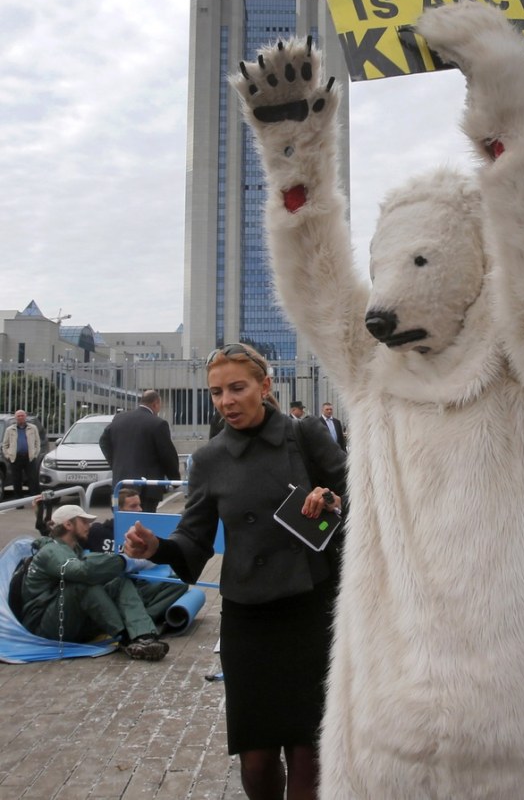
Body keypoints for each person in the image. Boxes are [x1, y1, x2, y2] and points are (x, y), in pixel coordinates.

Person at [123, 342, 347, 800]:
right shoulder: (208, 460)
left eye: (237, 388)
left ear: (265, 387)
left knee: (311, 752)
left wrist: (332, 502)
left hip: (312, 610)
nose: (226, 401)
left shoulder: (304, 435)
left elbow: (364, 494)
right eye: (216, 392)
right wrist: (157, 547)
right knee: (257, 758)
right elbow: (194, 542)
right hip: (249, 618)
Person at [20, 504, 169, 661]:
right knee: (81, 584)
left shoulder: (73, 549)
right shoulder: (51, 551)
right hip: (44, 625)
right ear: (68, 524)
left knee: (118, 581)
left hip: (66, 617)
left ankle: (143, 635)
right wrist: (123, 561)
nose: (88, 526)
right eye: (83, 522)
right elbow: (81, 572)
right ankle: (125, 637)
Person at [84, 488, 189, 626]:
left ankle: (144, 618)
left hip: (136, 583)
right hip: (110, 585)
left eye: (140, 505)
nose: (139, 510)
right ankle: (138, 621)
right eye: (133, 506)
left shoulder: (143, 534)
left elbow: (155, 558)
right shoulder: (98, 531)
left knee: (180, 582)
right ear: (117, 509)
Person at [100, 390, 180, 513]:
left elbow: (103, 442)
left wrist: (115, 463)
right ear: (156, 404)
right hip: (147, 488)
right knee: (144, 525)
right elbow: (167, 454)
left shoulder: (119, 418)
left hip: (120, 485)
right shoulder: (158, 424)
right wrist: (175, 479)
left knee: (120, 524)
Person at [2, 409, 41, 498]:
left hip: (29, 457)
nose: (20, 417)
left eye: (22, 416)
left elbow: (37, 443)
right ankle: (19, 502)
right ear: (15, 418)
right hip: (15, 458)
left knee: (32, 480)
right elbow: (5, 444)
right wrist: (8, 455)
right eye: (18, 416)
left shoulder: (32, 428)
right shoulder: (10, 429)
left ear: (25, 417)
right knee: (16, 480)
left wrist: (35, 454)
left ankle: (34, 499)